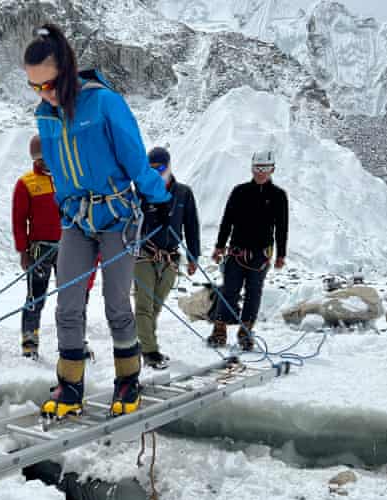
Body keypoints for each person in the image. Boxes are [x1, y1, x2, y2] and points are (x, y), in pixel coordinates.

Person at [24, 23, 171, 419]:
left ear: (67, 71)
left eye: (48, 84)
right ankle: (70, 385)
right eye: (34, 87)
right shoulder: (46, 116)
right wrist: (62, 203)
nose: (44, 94)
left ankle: (128, 380)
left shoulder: (105, 103)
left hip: (118, 217)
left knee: (116, 303)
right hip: (76, 220)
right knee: (67, 305)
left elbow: (134, 157)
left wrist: (159, 201)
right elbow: (55, 168)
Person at [208, 150, 288, 350]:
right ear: (252, 168)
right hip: (237, 251)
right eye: (257, 168)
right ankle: (219, 332)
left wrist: (281, 254)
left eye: (265, 168)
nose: (261, 172)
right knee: (229, 291)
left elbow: (282, 227)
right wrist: (219, 246)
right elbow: (227, 221)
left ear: (272, 169)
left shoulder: (278, 196)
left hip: (260, 254)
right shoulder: (239, 192)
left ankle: (245, 332)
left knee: (254, 293)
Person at [133, 147, 201, 368]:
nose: (156, 173)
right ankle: (149, 350)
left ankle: (143, 343)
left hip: (170, 257)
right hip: (144, 255)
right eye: (151, 169)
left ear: (169, 166)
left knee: (156, 305)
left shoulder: (183, 193)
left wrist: (193, 256)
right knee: (144, 305)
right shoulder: (140, 193)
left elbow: (191, 226)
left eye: (160, 168)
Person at [12, 134, 61, 359]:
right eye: (39, 159)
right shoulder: (26, 183)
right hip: (39, 248)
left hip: (68, 247)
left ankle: (72, 339)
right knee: (35, 296)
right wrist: (23, 252)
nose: (44, 162)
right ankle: (30, 340)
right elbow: (19, 221)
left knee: (71, 297)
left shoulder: (66, 178)